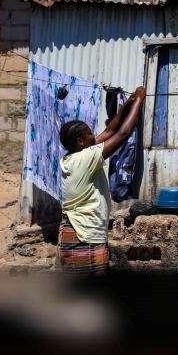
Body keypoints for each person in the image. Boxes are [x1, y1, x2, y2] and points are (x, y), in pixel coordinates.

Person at [57, 86, 146, 276]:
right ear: (81, 141)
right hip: (85, 234)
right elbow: (123, 133)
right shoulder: (86, 158)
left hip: (74, 232)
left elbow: (109, 130)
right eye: (90, 134)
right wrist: (139, 100)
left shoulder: (72, 158)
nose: (94, 136)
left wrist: (127, 105)